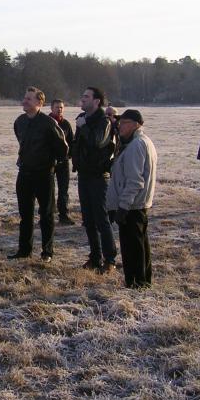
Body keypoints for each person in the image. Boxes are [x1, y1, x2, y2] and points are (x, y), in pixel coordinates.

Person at [9, 87, 68, 262]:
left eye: (29, 99)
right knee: (25, 214)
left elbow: (63, 149)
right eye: (24, 98)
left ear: (39, 103)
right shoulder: (19, 121)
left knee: (46, 214)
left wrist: (50, 163)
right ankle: (24, 251)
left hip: (44, 175)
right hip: (24, 174)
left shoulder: (48, 123)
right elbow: (21, 141)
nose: (25, 101)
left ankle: (47, 252)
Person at [106, 109, 157, 289]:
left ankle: (137, 283)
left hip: (132, 206)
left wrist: (123, 207)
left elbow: (135, 181)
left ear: (136, 124)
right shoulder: (138, 142)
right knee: (140, 244)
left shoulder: (136, 145)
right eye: (120, 122)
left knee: (133, 247)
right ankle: (142, 280)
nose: (120, 126)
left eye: (125, 122)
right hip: (136, 205)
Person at [72, 87, 118, 273]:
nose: (82, 99)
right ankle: (95, 257)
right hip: (84, 175)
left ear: (97, 101)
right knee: (88, 220)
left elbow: (97, 142)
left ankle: (110, 260)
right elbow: (79, 145)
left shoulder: (103, 122)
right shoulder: (83, 119)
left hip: (99, 177)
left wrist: (83, 127)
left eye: (86, 96)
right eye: (82, 95)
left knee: (101, 219)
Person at [49, 99, 75, 225]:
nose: (59, 109)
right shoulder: (46, 122)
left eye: (61, 107)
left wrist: (68, 155)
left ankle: (64, 215)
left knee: (63, 189)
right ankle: (47, 215)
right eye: (57, 107)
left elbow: (71, 141)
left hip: (63, 162)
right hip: (48, 162)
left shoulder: (66, 124)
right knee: (48, 189)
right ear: (51, 108)